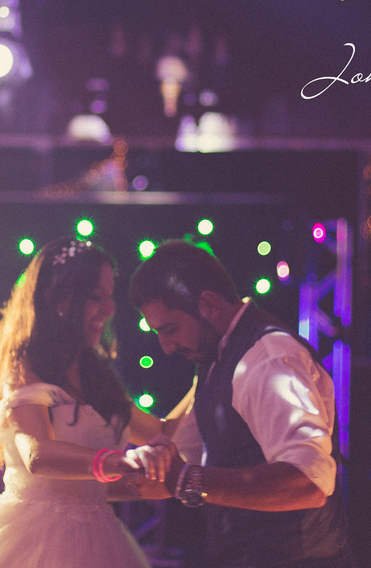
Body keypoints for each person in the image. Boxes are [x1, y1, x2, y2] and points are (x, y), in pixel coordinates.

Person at [0, 237, 179, 568]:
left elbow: (163, 433)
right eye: (95, 297)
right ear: (58, 299)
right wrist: (118, 462)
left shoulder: (98, 379)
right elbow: (38, 454)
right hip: (30, 536)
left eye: (109, 297)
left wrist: (208, 372)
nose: (109, 310)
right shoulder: (25, 367)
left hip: (99, 538)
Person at [129, 239, 354, 568]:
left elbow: (308, 482)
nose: (166, 347)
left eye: (170, 329)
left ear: (208, 304)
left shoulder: (269, 359)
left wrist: (191, 481)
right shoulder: (217, 357)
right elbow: (176, 458)